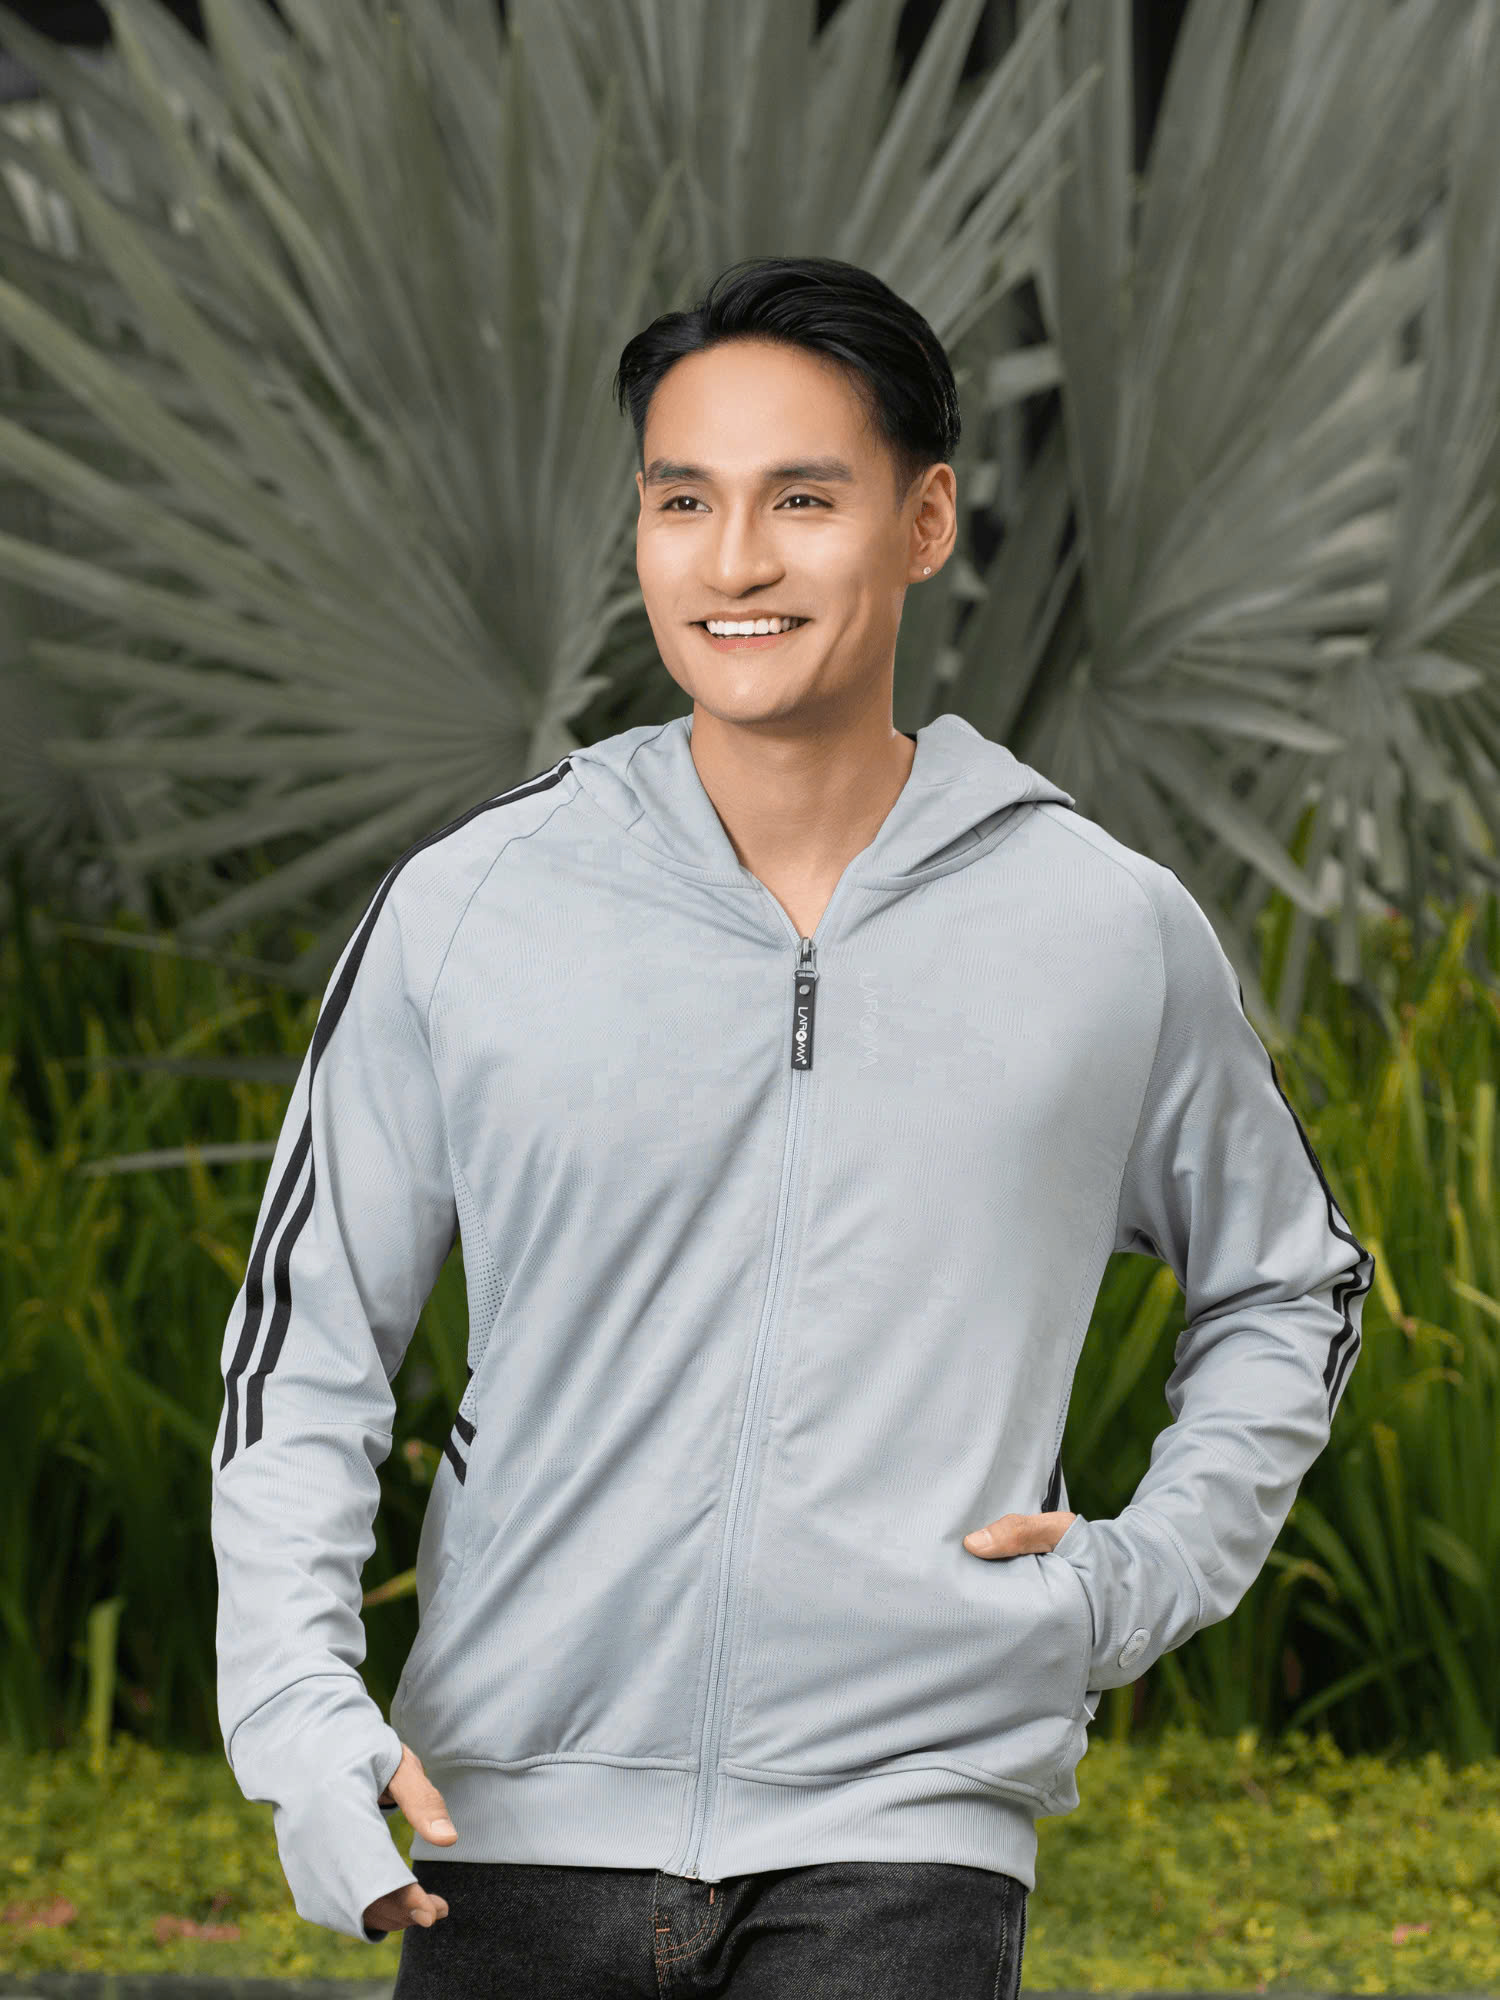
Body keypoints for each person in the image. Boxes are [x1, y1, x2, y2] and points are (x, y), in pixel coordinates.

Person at [210, 255, 1375, 1996]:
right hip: (507, 1822)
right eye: (684, 500)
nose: (734, 561)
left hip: (907, 1829)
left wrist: (1133, 1578)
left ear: (925, 521)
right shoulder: (476, 903)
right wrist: (302, 1710)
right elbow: (304, 1351)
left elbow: (1293, 1284)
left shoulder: (1101, 925)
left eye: (802, 500)